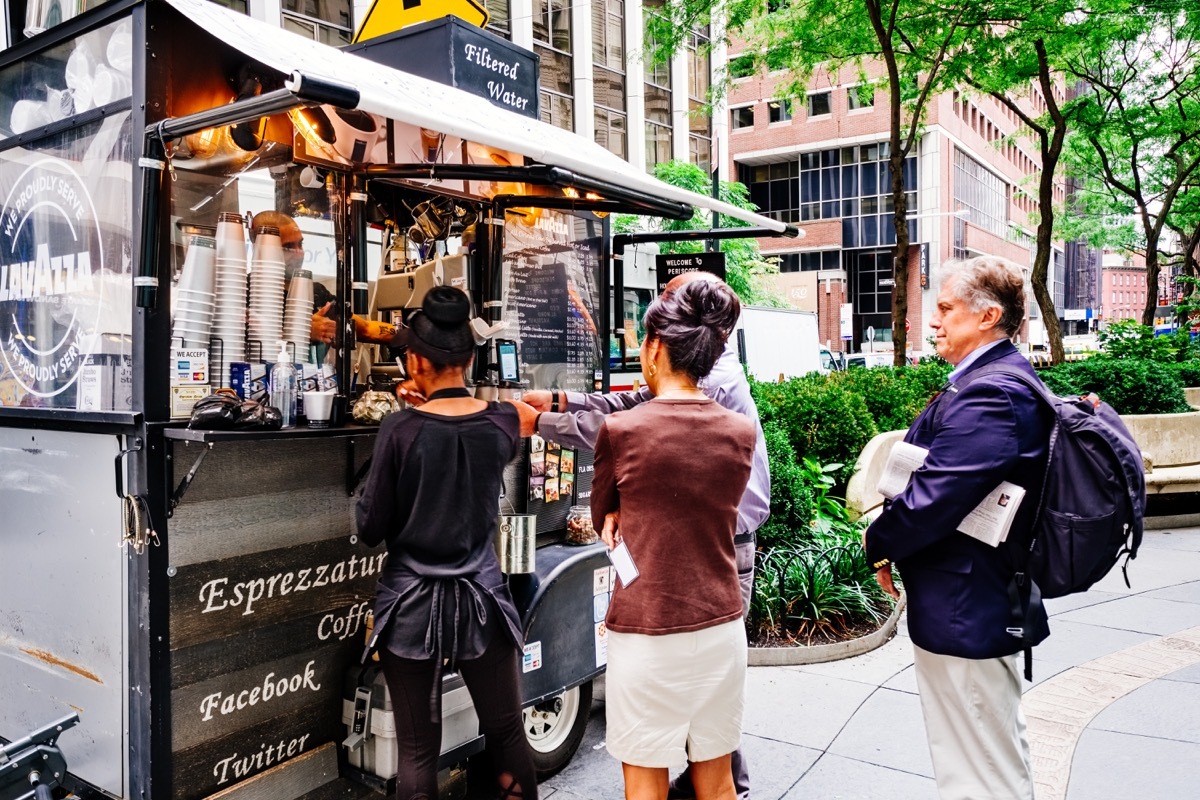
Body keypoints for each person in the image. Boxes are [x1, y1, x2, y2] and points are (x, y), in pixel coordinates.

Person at [511, 271, 769, 800]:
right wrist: (561, 401)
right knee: (715, 768)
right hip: (719, 613)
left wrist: (541, 423)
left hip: (656, 611)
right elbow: (635, 413)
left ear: (656, 345)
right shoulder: (728, 413)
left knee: (647, 774)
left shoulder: (670, 410)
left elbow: (620, 453)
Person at [863, 256, 1052, 800]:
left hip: (969, 603)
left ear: (988, 315)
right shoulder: (996, 380)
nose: (935, 320)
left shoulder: (992, 391)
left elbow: (934, 499)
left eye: (946, 308)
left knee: (977, 771)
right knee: (984, 756)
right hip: (972, 598)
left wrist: (875, 544)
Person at [356, 286, 536, 800]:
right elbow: (465, 428)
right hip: (483, 597)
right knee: (505, 733)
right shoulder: (502, 423)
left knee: (417, 750)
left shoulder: (398, 429)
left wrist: (404, 423)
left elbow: (371, 528)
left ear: (414, 359)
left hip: (410, 604)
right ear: (472, 356)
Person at [590, 279, 756, 800]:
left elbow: (605, 519)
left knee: (645, 783)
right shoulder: (739, 431)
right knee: (718, 779)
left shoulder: (622, 431)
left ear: (655, 347)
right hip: (722, 625)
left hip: (646, 629)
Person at [249, 210, 337, 347]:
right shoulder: (244, 292)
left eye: (300, 245)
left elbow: (365, 329)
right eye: (288, 247)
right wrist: (304, 331)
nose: (299, 253)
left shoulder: (316, 292)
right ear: (263, 249)